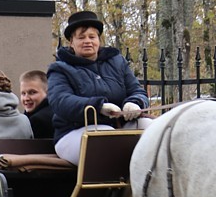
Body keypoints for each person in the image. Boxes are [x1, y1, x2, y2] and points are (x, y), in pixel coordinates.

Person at [47, 10, 152, 165]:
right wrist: (98, 106)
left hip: (119, 127)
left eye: (92, 37)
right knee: (107, 138)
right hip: (73, 132)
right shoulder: (60, 69)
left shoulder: (117, 62)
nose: (87, 41)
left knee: (154, 129)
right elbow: (61, 101)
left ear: (98, 40)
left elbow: (137, 90)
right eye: (81, 37)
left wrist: (135, 103)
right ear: (71, 42)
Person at [19, 69, 54, 138]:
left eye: (32, 92)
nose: (26, 98)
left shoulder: (37, 121)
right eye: (23, 93)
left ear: (47, 92)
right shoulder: (57, 111)